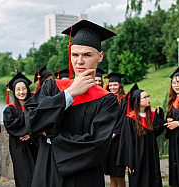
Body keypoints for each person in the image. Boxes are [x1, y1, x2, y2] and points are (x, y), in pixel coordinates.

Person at [24, 19, 119, 187]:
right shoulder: (52, 87)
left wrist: (52, 136)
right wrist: (69, 93)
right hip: (47, 169)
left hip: (85, 177)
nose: (79, 61)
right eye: (75, 55)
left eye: (87, 55)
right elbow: (32, 120)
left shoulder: (107, 100)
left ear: (100, 57)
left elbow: (96, 146)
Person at [117, 83, 165, 187]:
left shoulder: (151, 116)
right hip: (137, 157)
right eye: (145, 97)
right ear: (137, 101)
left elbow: (156, 133)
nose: (148, 99)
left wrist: (160, 118)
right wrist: (129, 161)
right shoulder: (130, 119)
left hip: (151, 154)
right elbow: (127, 142)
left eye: (148, 96)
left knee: (154, 178)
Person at [3, 72, 38, 187]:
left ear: (28, 89)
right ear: (14, 91)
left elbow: (41, 122)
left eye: (24, 89)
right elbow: (11, 126)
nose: (21, 92)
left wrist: (30, 134)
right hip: (18, 146)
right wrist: (26, 129)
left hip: (35, 144)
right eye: (18, 89)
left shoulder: (35, 105)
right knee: (24, 175)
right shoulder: (10, 109)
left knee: (37, 174)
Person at [104, 72, 127, 187]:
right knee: (111, 172)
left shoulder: (124, 100)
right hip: (108, 138)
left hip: (118, 139)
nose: (113, 88)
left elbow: (124, 118)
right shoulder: (107, 99)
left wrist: (114, 132)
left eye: (115, 85)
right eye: (111, 85)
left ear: (120, 86)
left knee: (118, 171)